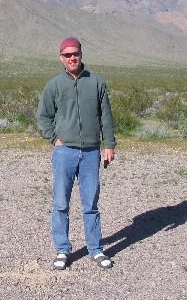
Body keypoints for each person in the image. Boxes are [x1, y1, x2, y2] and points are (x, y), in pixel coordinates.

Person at [36, 37, 116, 270]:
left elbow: (106, 117)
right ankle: (62, 249)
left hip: (91, 152)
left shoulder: (97, 82)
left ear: (82, 55)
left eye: (76, 54)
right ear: (61, 57)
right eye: (67, 55)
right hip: (65, 153)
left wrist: (109, 145)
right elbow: (43, 116)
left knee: (90, 203)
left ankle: (96, 249)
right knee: (61, 202)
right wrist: (54, 138)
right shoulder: (55, 85)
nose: (72, 58)